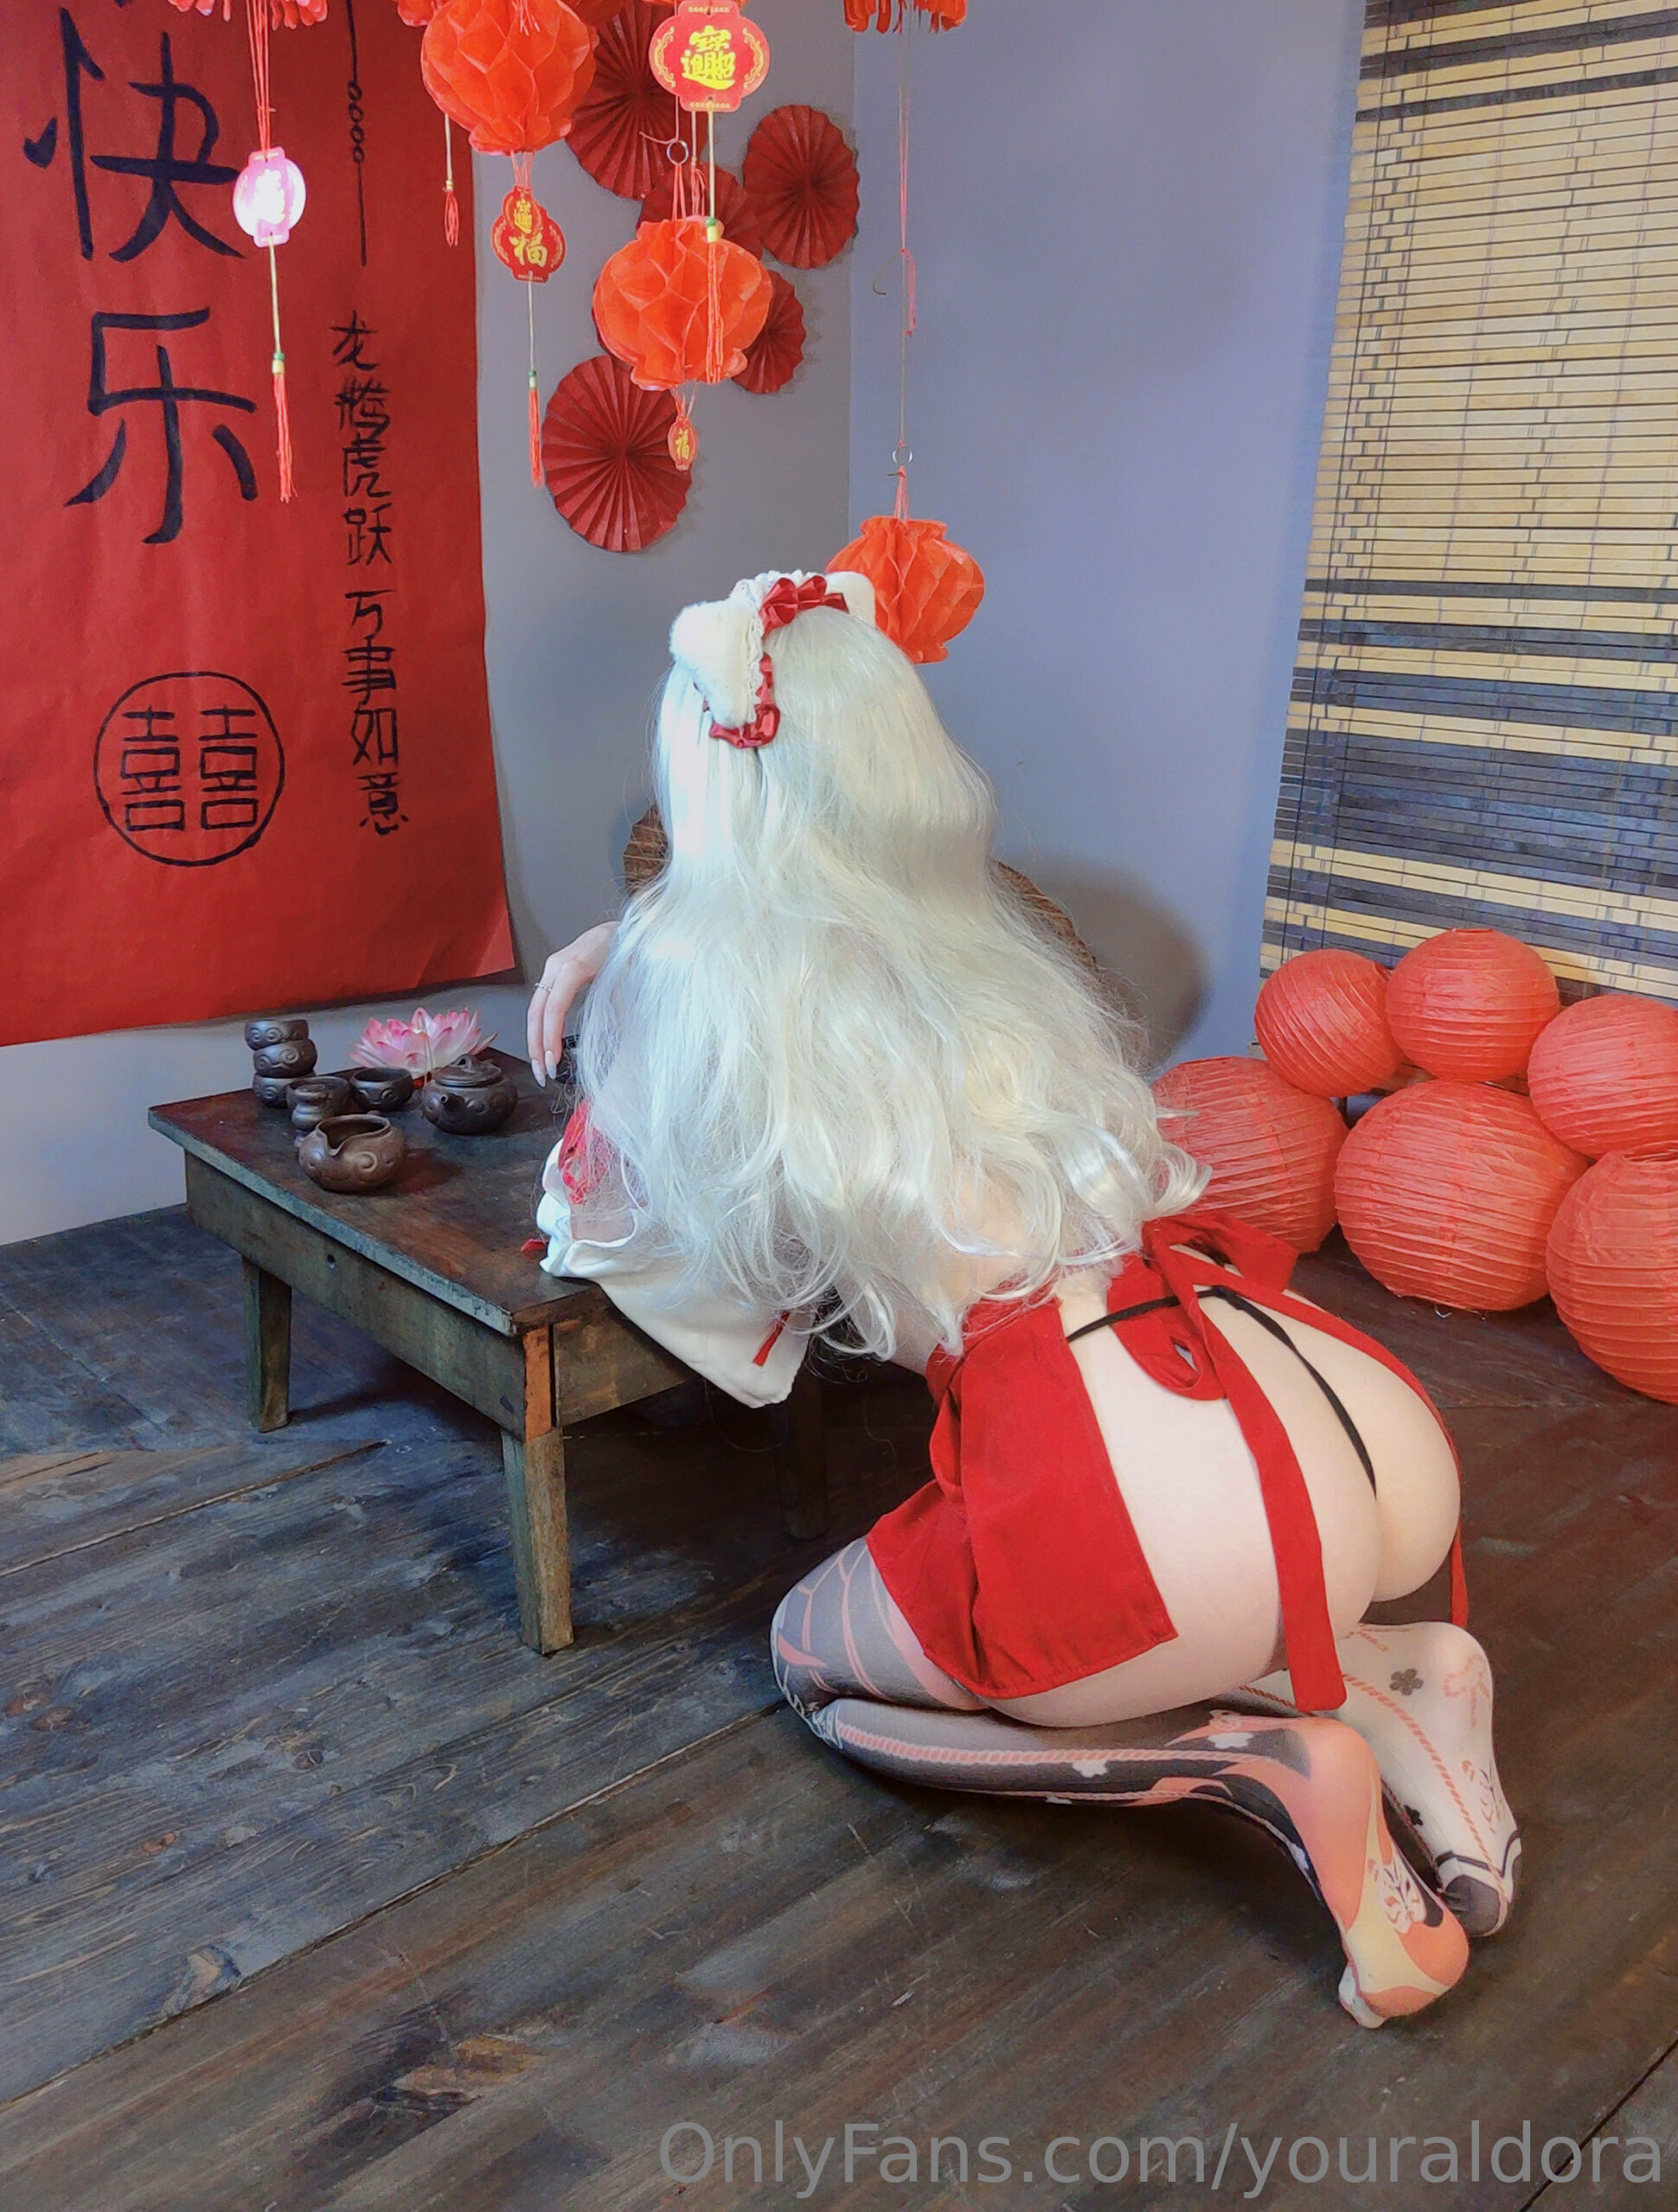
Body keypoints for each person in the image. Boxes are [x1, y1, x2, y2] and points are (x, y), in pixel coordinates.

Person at [527, 568, 1518, 2027]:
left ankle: (1259, 1762)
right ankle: (1394, 1669)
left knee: (809, 1655)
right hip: (1320, 1390)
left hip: (1139, 1487)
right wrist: (640, 947)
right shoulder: (996, 948)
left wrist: (617, 968)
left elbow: (597, 1222)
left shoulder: (709, 995)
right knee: (1244, 1578)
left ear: (710, 793)